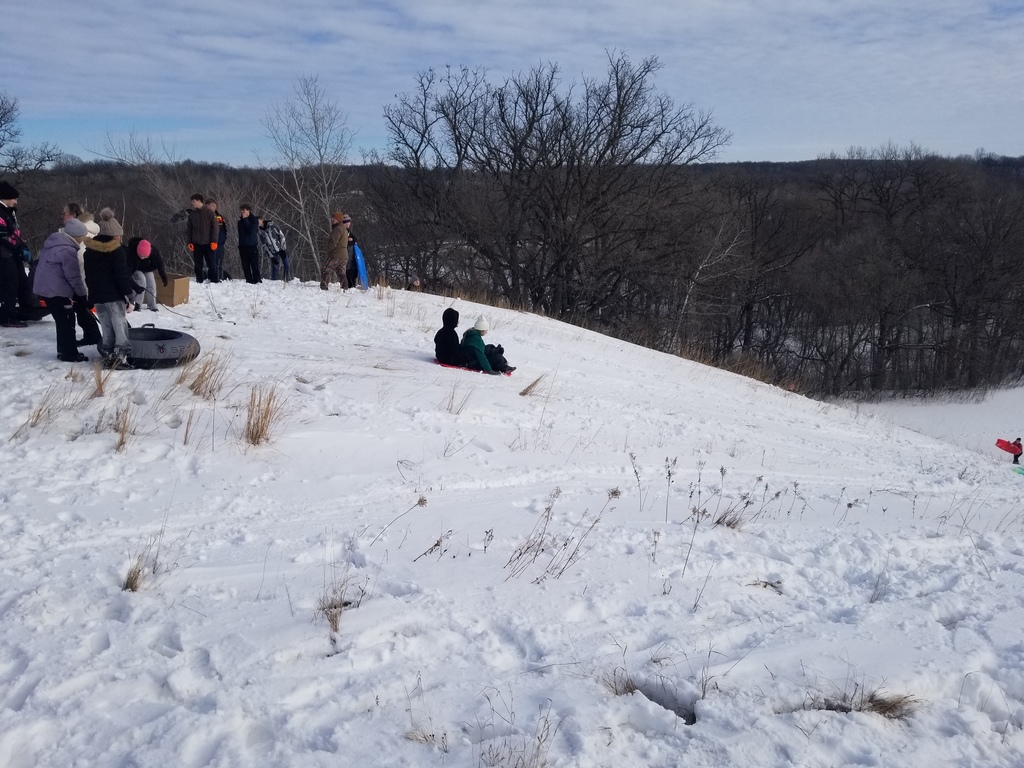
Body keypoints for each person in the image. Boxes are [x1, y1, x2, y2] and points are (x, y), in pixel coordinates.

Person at [84, 208, 139, 369]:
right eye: (119, 235)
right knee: (120, 326)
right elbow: (121, 275)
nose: (121, 238)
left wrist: (90, 296)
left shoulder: (89, 252)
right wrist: (129, 293)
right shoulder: (117, 251)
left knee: (106, 326)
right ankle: (120, 356)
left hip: (97, 296)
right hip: (114, 296)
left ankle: (107, 352)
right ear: (113, 235)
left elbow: (88, 276)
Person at [33, 218, 91, 362]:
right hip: (56, 291)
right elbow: (73, 276)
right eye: (82, 236)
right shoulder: (67, 250)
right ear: (77, 236)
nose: (83, 239)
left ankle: (63, 351)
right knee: (66, 320)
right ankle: (69, 354)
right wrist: (81, 294)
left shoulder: (53, 244)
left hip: (45, 289)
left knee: (62, 319)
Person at [0, 180, 29, 327]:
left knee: (19, 282)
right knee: (9, 285)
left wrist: (24, 245)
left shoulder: (9, 213)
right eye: (14, 198)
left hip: (11, 254)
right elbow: (3, 236)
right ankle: (7, 317)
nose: (16, 201)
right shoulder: (1, 212)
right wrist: (18, 247)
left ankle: (24, 309)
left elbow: (16, 232)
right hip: (4, 255)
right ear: (6, 197)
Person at [127, 237, 168, 311]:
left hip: (148, 268)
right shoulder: (131, 253)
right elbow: (127, 272)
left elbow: (160, 265)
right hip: (136, 269)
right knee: (142, 281)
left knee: (151, 284)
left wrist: (164, 277)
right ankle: (137, 303)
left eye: (144, 256)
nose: (142, 258)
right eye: (140, 256)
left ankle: (152, 305)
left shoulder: (154, 253)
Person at [186, 193, 218, 283]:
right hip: (196, 243)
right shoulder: (192, 215)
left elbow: (215, 228)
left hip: (208, 243)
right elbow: (189, 229)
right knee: (198, 264)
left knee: (211, 263)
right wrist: (189, 242)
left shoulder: (209, 213)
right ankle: (199, 279)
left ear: (199, 201)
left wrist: (214, 241)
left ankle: (214, 280)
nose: (192, 203)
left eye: (194, 201)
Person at [320, 211, 349, 290]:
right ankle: (345, 288)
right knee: (341, 273)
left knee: (325, 269)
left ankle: (324, 287)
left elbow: (333, 242)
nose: (332, 220)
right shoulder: (344, 229)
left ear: (338, 220)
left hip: (336, 255)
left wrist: (328, 251)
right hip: (344, 255)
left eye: (334, 219)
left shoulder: (337, 229)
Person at [237, 204, 262, 284]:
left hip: (252, 246)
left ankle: (257, 279)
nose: (242, 212)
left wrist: (245, 220)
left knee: (254, 264)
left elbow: (251, 231)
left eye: (244, 210)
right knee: (245, 265)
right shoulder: (240, 222)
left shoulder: (254, 220)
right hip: (242, 246)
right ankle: (248, 280)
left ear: (248, 211)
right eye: (241, 210)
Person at [258, 217, 289, 281]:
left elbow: (282, 236)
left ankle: (286, 279)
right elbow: (264, 245)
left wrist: (283, 248)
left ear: (262, 220)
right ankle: (274, 281)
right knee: (274, 267)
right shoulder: (261, 232)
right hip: (272, 251)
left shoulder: (272, 226)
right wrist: (270, 256)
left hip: (280, 248)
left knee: (286, 265)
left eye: (258, 221)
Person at [207, 198, 228, 281]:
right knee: (210, 263)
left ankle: (219, 278)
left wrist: (219, 242)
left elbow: (222, 231)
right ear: (207, 206)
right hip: (207, 243)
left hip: (218, 243)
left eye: (215, 206)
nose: (214, 207)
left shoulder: (218, 217)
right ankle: (210, 278)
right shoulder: (204, 216)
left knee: (218, 263)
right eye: (212, 205)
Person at [344, 213, 361, 289]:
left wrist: (352, 240)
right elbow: (343, 241)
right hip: (347, 253)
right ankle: (349, 285)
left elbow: (354, 238)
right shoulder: (343, 231)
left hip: (350, 253)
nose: (350, 223)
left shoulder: (348, 231)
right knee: (348, 268)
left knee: (352, 269)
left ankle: (352, 284)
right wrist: (350, 241)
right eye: (348, 222)